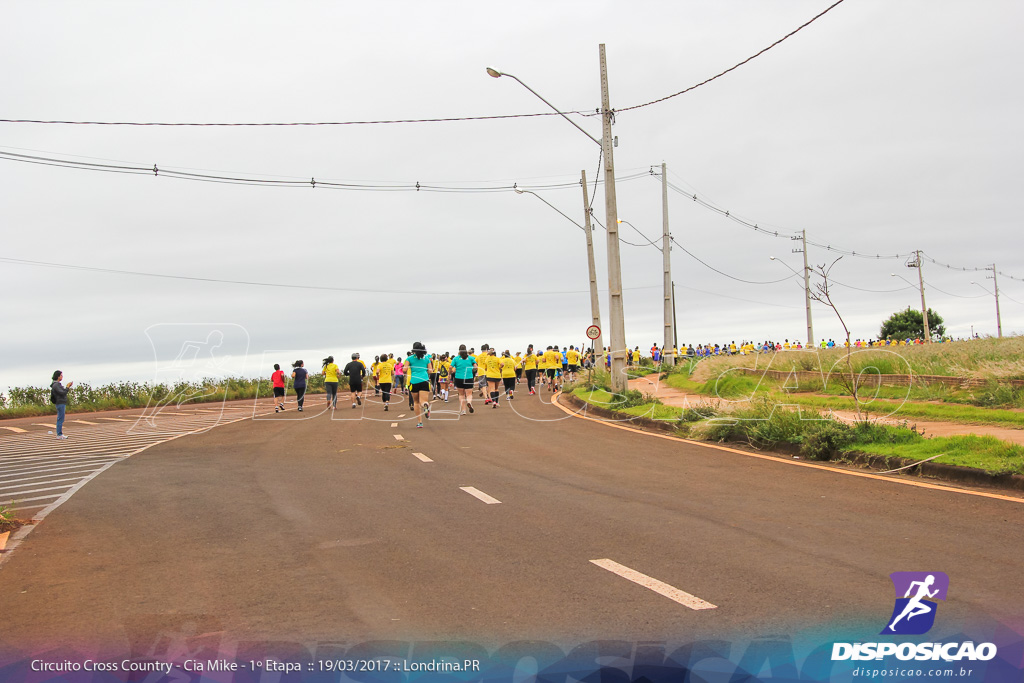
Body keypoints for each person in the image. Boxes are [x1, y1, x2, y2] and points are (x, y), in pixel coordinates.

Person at [404, 342, 433, 428]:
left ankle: (420, 422)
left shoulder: (409, 359)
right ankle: (425, 405)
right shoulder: (427, 358)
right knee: (423, 400)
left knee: (416, 402)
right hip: (424, 380)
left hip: (414, 381)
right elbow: (430, 371)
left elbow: (405, 369)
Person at [450, 345, 477, 415]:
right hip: (468, 378)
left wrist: (450, 373)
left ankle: (463, 410)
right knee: (469, 394)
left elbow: (450, 367)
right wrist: (474, 370)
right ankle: (469, 402)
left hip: (459, 378)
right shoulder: (471, 358)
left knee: (461, 395)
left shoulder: (455, 359)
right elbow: (475, 366)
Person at [50, 370, 73, 439]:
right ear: (58, 376)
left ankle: (59, 434)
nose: (62, 377)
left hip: (60, 403)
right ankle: (59, 434)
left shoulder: (56, 384)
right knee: (60, 419)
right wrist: (67, 387)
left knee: (60, 418)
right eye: (61, 375)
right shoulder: (56, 385)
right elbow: (62, 393)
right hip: (60, 403)